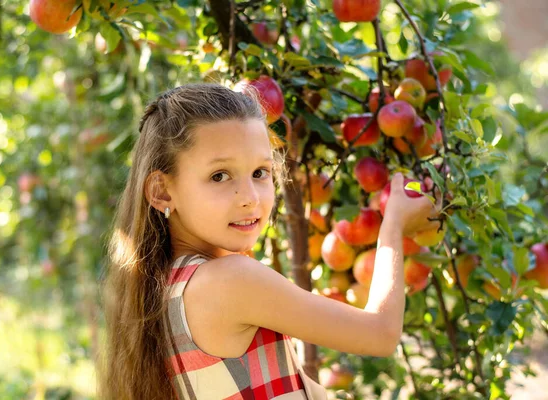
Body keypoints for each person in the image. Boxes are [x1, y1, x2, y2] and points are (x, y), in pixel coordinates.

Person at [96, 83, 439, 400]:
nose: (250, 198)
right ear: (161, 191)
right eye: (219, 176)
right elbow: (380, 333)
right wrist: (394, 225)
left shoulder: (168, 286)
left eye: (260, 173)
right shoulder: (231, 280)